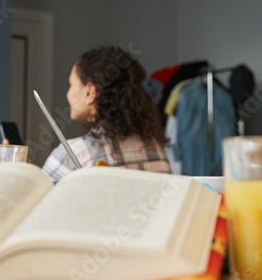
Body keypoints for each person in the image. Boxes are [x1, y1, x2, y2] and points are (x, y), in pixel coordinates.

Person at [37, 45, 171, 180]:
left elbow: (33, 199)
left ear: (90, 92)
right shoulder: (157, 149)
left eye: (71, 85)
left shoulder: (75, 152)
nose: (68, 94)